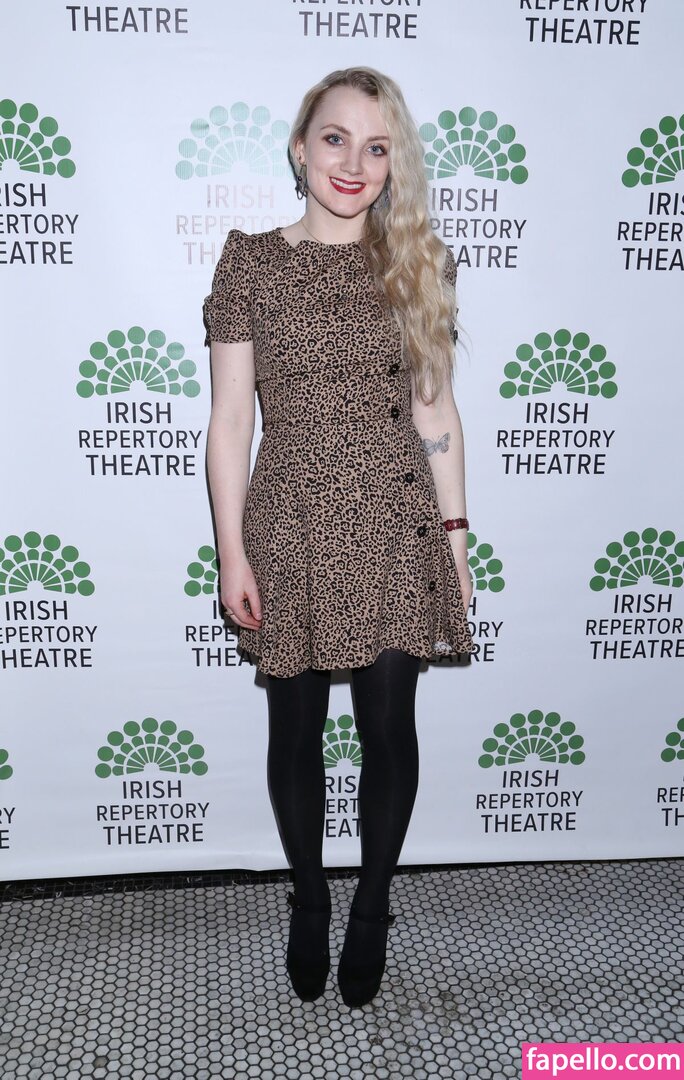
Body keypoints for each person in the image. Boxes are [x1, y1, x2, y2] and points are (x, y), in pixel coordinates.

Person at [203, 66, 476, 1009]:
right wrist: (233, 553)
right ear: (298, 146)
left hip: (398, 525)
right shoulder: (250, 263)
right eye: (335, 138)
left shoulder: (417, 263)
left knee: (389, 729)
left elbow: (436, 414)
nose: (353, 162)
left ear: (395, 162)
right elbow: (230, 423)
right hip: (291, 525)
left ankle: (371, 905)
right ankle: (311, 898)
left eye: (377, 146)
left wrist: (456, 542)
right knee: (297, 733)